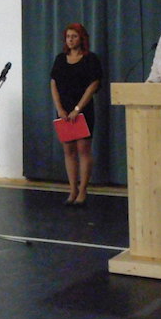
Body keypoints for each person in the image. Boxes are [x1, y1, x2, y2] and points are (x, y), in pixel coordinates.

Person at [49, 23, 103, 207]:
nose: (70, 40)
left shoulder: (90, 59)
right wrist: (60, 109)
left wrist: (78, 109)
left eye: (74, 36)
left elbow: (93, 85)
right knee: (68, 151)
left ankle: (82, 191)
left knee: (83, 150)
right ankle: (72, 189)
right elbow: (54, 84)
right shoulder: (60, 59)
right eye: (68, 37)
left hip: (82, 111)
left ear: (81, 38)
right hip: (64, 112)